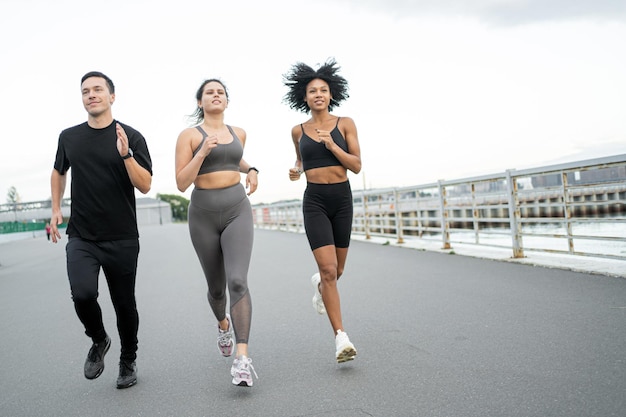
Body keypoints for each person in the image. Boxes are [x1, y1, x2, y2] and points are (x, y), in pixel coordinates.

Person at [50, 71, 152, 389]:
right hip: (82, 234)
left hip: (122, 235)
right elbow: (58, 171)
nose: (91, 94)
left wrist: (125, 154)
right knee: (82, 293)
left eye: (97, 89)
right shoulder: (69, 137)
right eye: (85, 91)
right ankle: (98, 339)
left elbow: (146, 185)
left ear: (112, 96)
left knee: (124, 305)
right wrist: (56, 209)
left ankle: (128, 361)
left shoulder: (131, 136)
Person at [175, 78, 259, 387]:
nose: (215, 95)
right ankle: (223, 323)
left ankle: (242, 358)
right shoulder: (188, 136)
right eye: (209, 92)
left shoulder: (239, 133)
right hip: (203, 214)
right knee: (217, 289)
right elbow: (182, 183)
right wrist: (201, 152)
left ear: (226, 101)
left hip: (237, 207)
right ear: (200, 102)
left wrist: (251, 170)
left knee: (238, 280)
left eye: (220, 92)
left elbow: (233, 159)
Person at [283, 58, 362, 363]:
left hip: (341, 199)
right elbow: (302, 161)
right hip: (314, 200)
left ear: (331, 95)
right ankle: (341, 337)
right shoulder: (297, 130)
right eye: (312, 90)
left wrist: (333, 147)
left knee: (337, 270)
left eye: (323, 90)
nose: (318, 94)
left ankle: (319, 284)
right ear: (304, 97)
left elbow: (355, 165)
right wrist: (296, 170)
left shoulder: (345, 124)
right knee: (329, 270)